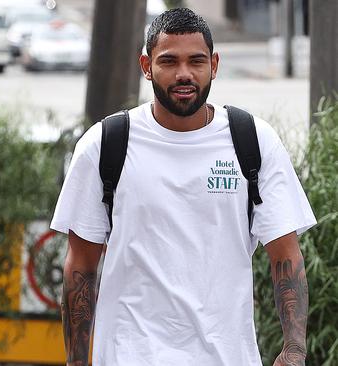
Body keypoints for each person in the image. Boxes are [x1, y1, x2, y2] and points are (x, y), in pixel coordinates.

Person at [51, 8, 316, 366]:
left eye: (196, 61)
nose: (184, 74)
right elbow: (80, 265)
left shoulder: (253, 140)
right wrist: (76, 361)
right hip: (128, 355)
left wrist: (295, 349)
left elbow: (286, 255)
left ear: (215, 64)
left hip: (226, 356)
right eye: (168, 61)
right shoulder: (105, 145)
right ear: (146, 66)